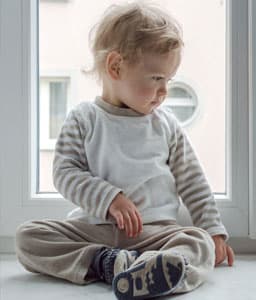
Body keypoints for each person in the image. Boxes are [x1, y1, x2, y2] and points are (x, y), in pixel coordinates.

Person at [15, 2, 234, 299]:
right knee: (28, 238)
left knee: (199, 243)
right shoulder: (83, 118)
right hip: (94, 230)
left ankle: (148, 269)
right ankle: (106, 263)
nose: (164, 91)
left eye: (168, 81)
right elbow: (64, 173)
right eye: (157, 78)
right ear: (116, 67)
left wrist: (213, 230)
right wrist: (109, 199)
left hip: (155, 233)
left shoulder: (166, 125)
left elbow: (193, 181)